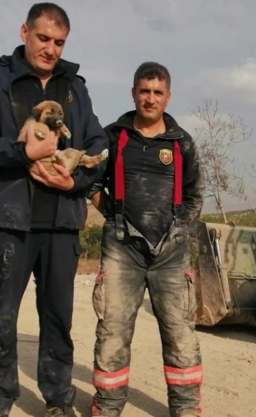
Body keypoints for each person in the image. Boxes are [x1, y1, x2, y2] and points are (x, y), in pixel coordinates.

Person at [0, 3, 109, 417]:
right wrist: (22, 151)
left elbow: (98, 144)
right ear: (24, 32)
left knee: (58, 318)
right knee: (0, 317)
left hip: (61, 222)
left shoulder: (74, 87)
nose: (51, 49)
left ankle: (58, 400)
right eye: (43, 38)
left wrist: (75, 182)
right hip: (6, 220)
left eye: (59, 42)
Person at [88, 62, 205, 417]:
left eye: (157, 92)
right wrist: (114, 217)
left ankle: (185, 409)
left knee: (180, 334)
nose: (150, 99)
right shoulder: (112, 137)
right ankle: (107, 407)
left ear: (168, 96)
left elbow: (194, 195)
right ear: (133, 93)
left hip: (171, 254)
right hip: (121, 251)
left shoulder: (182, 143)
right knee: (112, 331)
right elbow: (92, 184)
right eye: (144, 91)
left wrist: (180, 230)